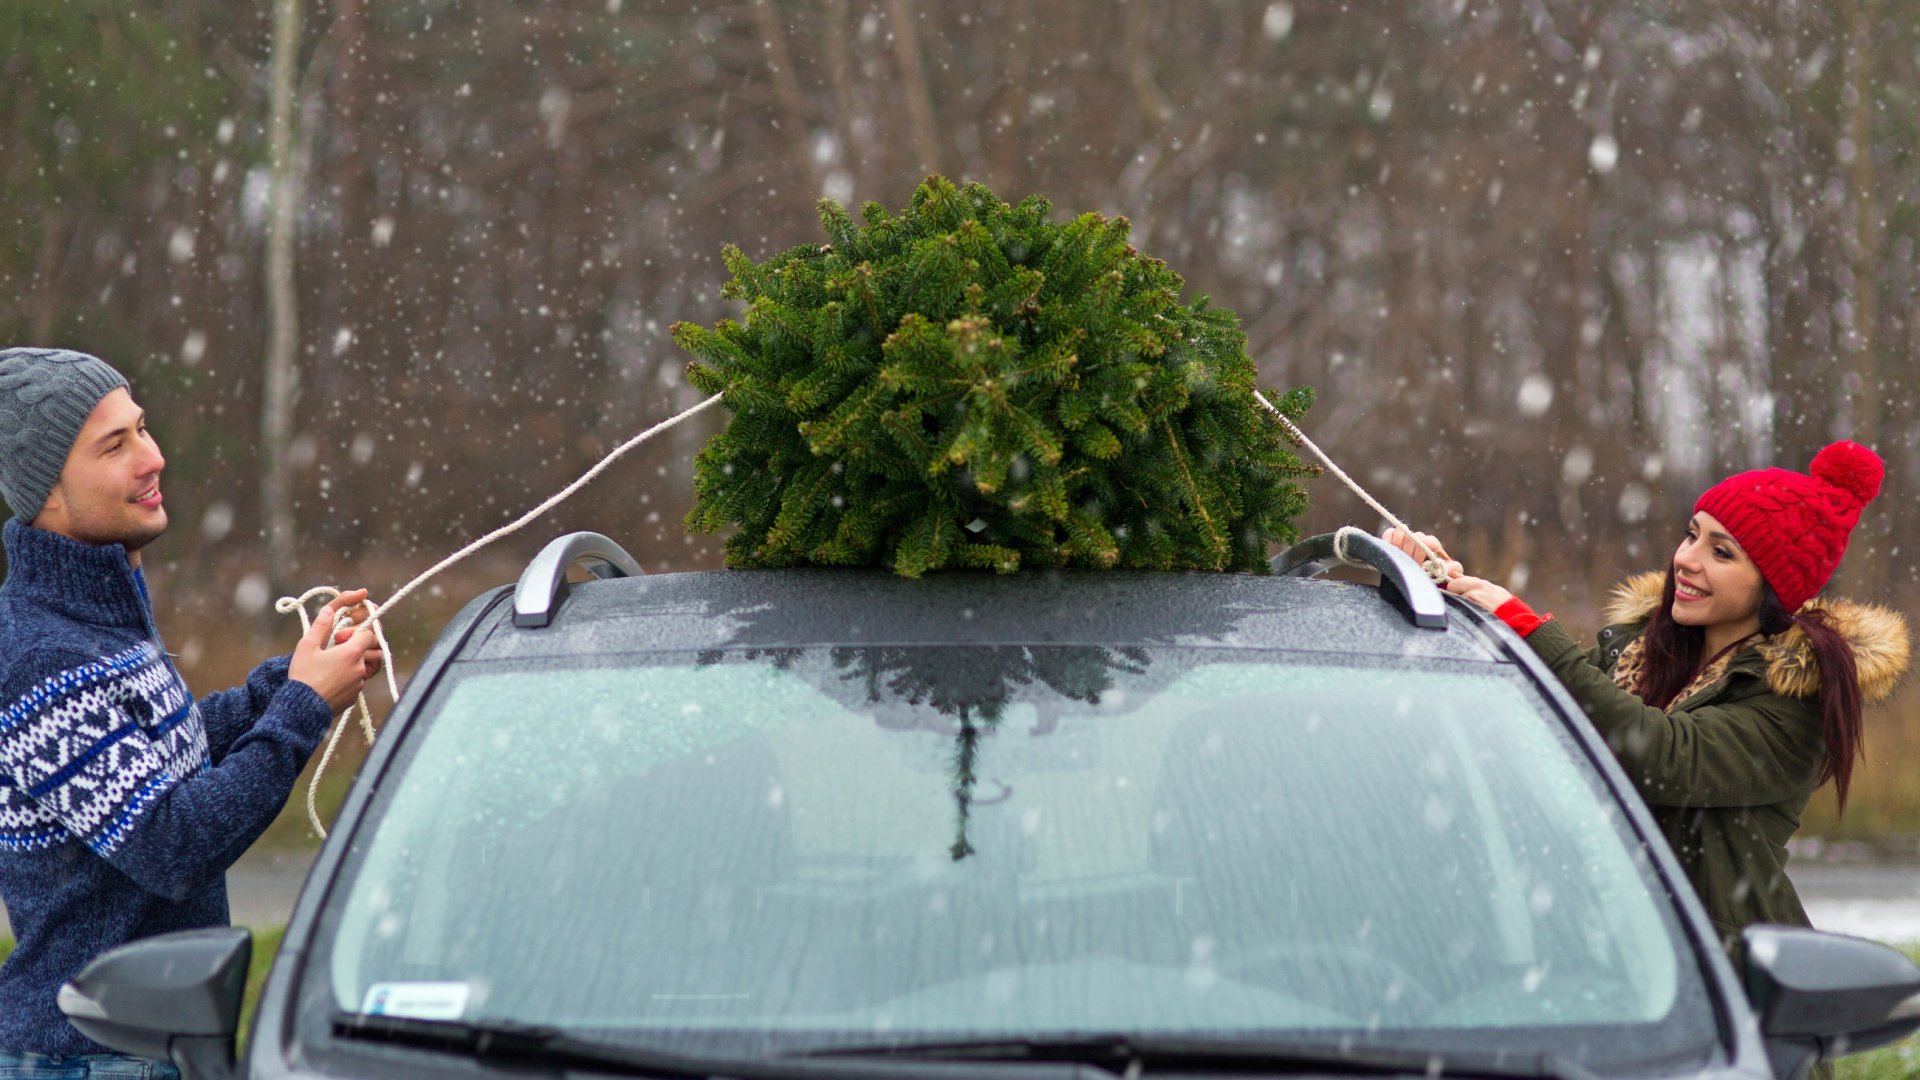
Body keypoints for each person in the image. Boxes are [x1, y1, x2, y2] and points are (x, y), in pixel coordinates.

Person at [0, 347, 382, 1077]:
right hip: (87, 1056)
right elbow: (173, 844)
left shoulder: (97, 609)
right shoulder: (41, 655)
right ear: (48, 491)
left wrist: (284, 680)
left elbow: (163, 754)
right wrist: (303, 707)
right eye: (116, 445)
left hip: (141, 1044)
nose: (153, 457)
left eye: (141, 429)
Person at [1386, 441, 1910, 962]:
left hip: (1727, 983)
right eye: (1692, 535)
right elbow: (1526, 705)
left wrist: (1527, 627)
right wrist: (1442, 592)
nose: (1686, 559)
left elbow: (1659, 755)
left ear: (1772, 587)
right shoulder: (1640, 655)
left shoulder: (1794, 707)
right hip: (1609, 957)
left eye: (1720, 552)